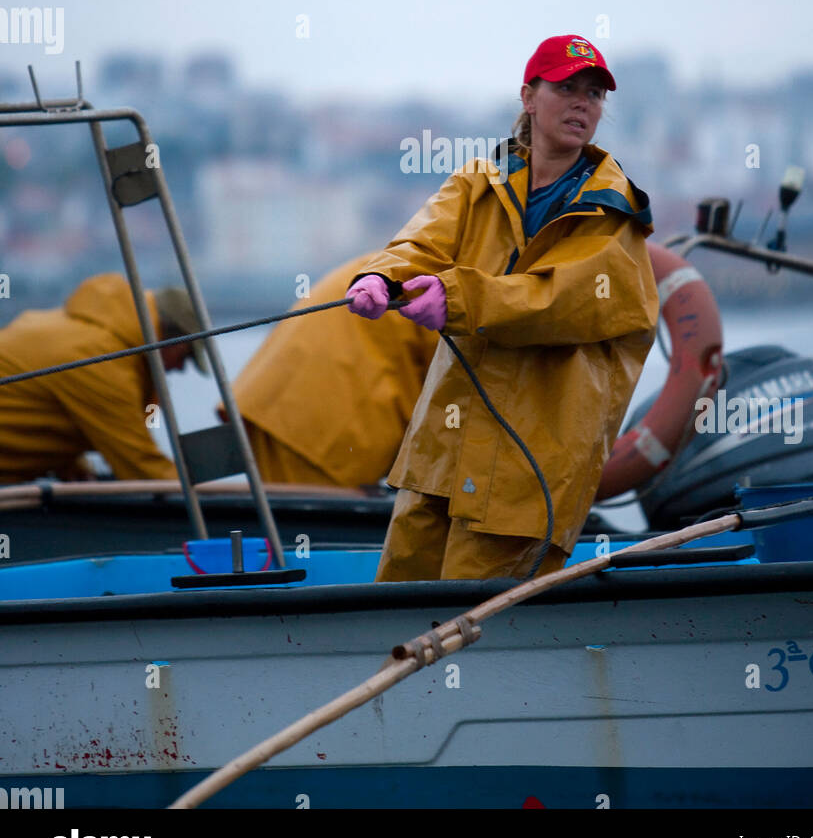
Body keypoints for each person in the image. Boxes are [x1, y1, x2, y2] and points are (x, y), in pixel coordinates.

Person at [346, 34, 660, 582]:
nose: (583, 103)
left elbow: (562, 301)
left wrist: (460, 298)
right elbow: (420, 245)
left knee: (478, 640)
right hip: (441, 459)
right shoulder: (477, 182)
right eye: (566, 88)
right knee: (395, 610)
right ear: (529, 98)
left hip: (529, 476)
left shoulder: (614, 215)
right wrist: (381, 278)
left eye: (594, 93)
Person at [228, 253, 439, 486]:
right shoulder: (451, 284)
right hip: (323, 432)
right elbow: (452, 396)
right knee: (303, 518)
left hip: (272, 403)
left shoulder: (407, 259)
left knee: (273, 513)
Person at [0, 273, 207, 484]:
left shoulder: (83, 331)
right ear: (167, 339)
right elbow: (142, 467)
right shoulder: (102, 361)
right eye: (185, 356)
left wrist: (67, 460)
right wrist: (211, 501)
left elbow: (36, 398)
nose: (181, 369)